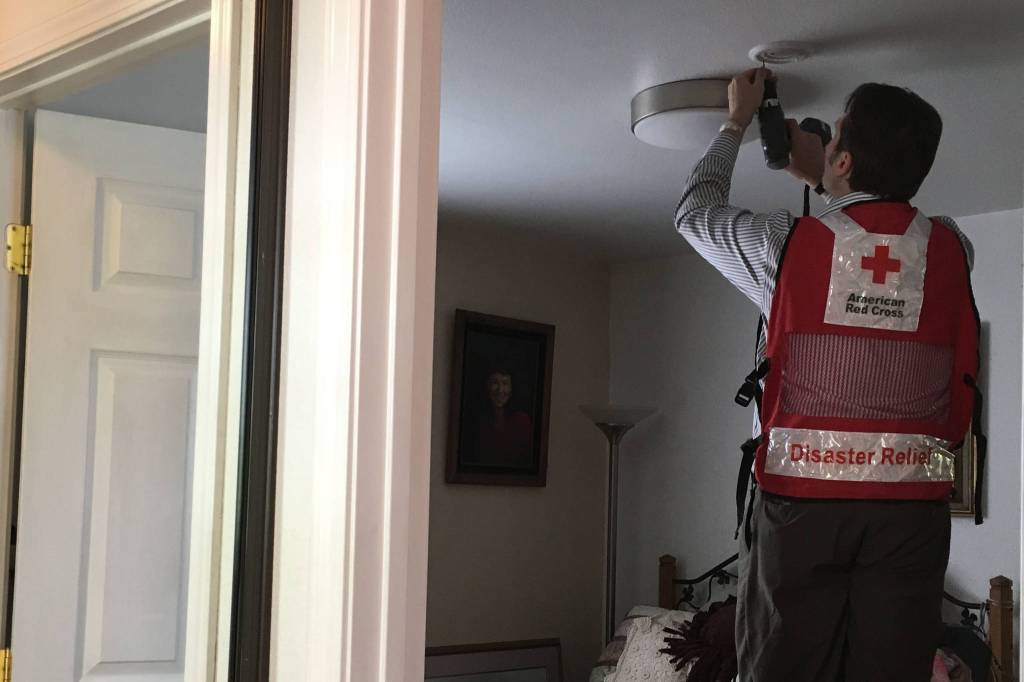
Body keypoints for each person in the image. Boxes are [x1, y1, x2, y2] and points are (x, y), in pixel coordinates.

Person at [675, 68, 981, 682]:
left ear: (844, 159)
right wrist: (828, 173)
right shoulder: (953, 247)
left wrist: (737, 121)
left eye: (838, 139)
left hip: (800, 508)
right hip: (912, 511)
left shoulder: (784, 245)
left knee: (782, 668)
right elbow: (882, 228)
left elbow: (694, 211)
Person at [471, 366, 533, 467]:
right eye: (495, 383)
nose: (500, 390)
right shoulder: (478, 422)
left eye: (505, 383)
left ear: (512, 388)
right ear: (487, 386)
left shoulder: (522, 421)